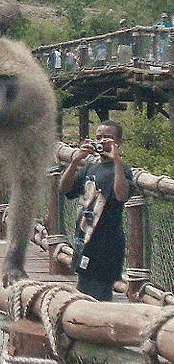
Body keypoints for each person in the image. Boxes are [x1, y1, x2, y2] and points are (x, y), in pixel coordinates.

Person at [59, 120, 134, 301]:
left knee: (99, 297)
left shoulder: (123, 170)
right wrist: (76, 161)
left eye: (108, 138)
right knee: (82, 292)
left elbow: (121, 195)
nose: (102, 142)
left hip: (107, 248)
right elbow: (65, 188)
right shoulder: (90, 167)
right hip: (84, 243)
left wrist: (116, 160)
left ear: (119, 142)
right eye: (98, 138)